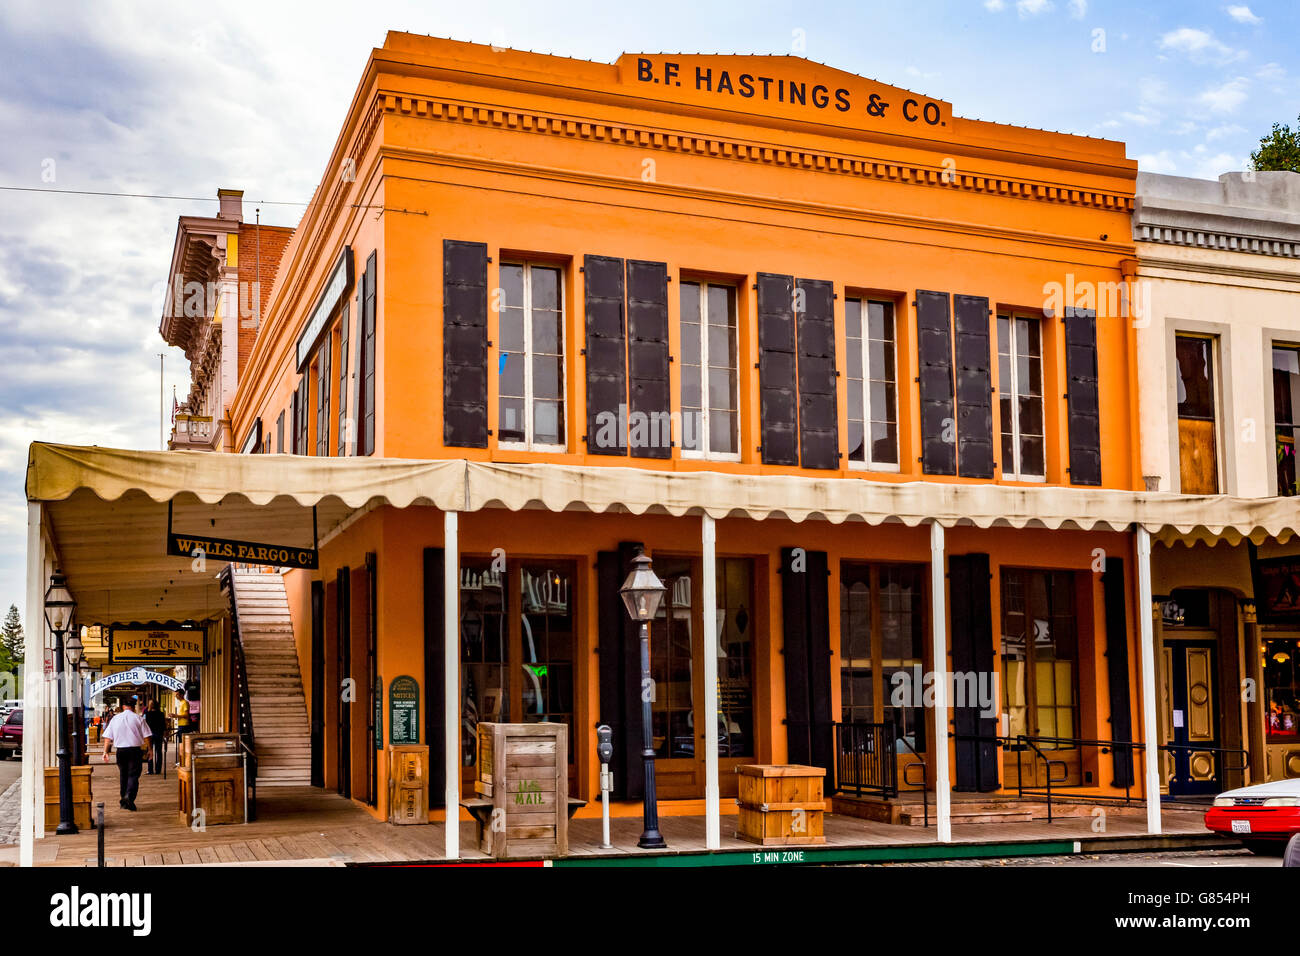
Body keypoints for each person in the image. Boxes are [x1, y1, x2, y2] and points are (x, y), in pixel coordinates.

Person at [101, 700, 151, 811]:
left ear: (123, 707)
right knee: (133, 775)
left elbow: (108, 737)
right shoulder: (139, 718)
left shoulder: (115, 719)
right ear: (133, 707)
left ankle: (124, 799)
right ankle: (129, 797)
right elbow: (147, 736)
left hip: (121, 751)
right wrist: (150, 750)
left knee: (123, 774)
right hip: (134, 751)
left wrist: (105, 752)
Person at [143, 699, 167, 774]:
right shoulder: (161, 714)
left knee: (150, 751)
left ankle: (150, 770)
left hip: (149, 735)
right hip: (158, 734)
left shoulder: (147, 714)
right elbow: (163, 725)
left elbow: (144, 725)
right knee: (159, 752)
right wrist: (164, 734)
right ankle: (158, 769)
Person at [174, 690, 191, 767]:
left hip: (184, 725)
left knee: (182, 744)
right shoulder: (180, 703)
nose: (176, 696)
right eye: (176, 694)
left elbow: (187, 715)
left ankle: (183, 761)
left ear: (182, 694)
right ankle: (181, 761)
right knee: (180, 744)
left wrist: (176, 716)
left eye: (177, 694)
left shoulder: (185, 703)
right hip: (181, 725)